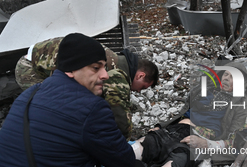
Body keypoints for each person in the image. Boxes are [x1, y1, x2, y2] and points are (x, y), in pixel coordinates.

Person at [0, 33, 148, 167]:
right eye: (96, 68)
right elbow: (124, 162)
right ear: (71, 70)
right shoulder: (92, 108)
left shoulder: (29, 93)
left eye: (104, 67)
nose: (105, 75)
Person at [131, 61, 247, 167]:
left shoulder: (241, 104)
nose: (226, 78)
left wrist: (205, 144)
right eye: (226, 74)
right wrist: (160, 126)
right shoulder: (205, 91)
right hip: (175, 131)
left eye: (232, 77)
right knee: (130, 151)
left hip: (196, 142)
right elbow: (183, 113)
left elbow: (234, 140)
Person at [15, 36, 159, 140]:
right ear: (140, 76)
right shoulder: (116, 71)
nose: (139, 91)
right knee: (52, 111)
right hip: (30, 68)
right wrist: (124, 140)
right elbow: (118, 111)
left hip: (42, 61)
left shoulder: (115, 61)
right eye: (143, 87)